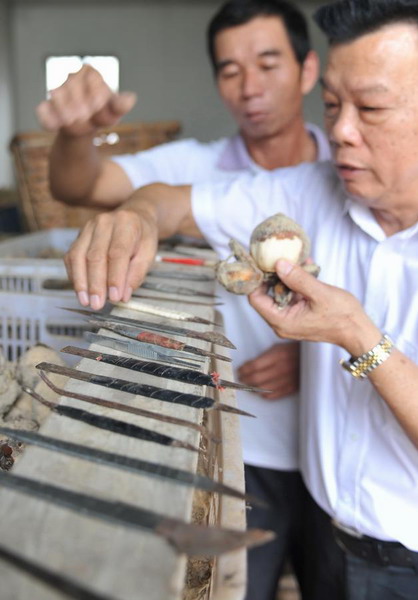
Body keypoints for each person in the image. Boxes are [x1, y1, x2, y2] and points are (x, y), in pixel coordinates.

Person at [60, 0, 418, 598]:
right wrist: (139, 216)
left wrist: (354, 336)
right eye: (332, 107)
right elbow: (170, 199)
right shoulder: (312, 190)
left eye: (372, 108)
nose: (342, 132)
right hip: (332, 526)